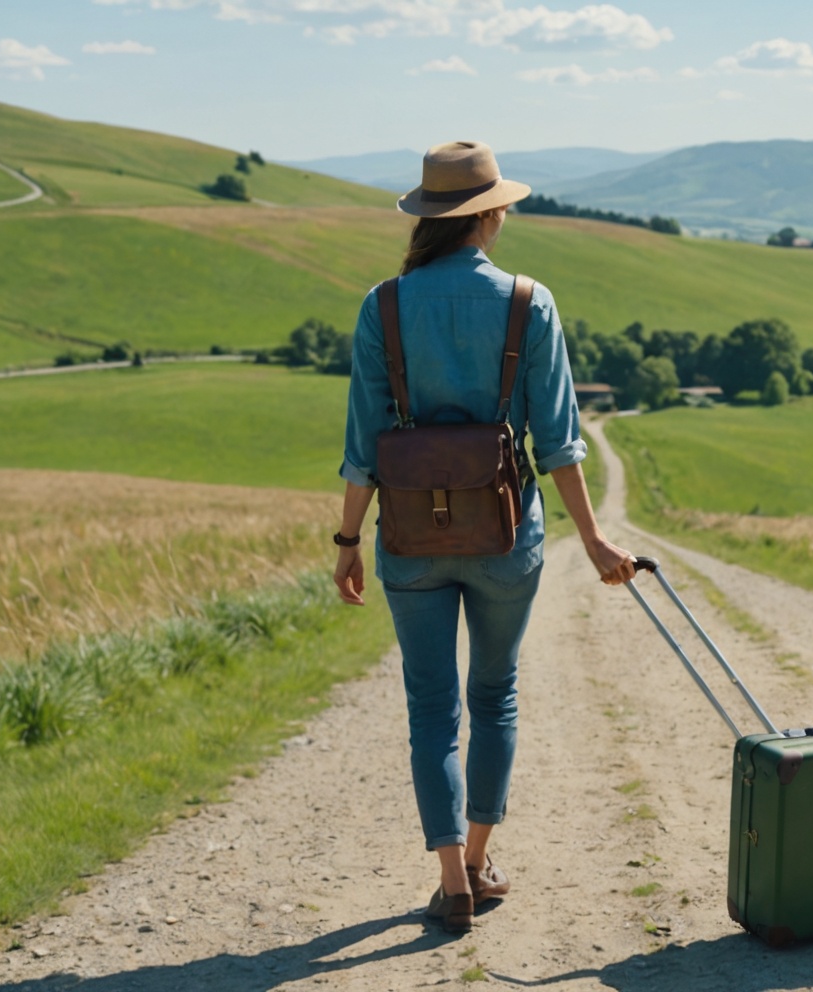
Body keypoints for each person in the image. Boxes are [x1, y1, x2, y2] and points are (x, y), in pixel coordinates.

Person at [332, 140, 638, 934]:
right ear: (492, 213)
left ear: (431, 216)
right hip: (506, 537)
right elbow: (560, 441)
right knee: (493, 695)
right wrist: (598, 542)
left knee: (430, 705)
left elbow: (363, 439)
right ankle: (476, 859)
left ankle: (448, 881)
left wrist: (346, 540)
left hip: (407, 535)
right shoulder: (528, 302)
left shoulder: (384, 305)